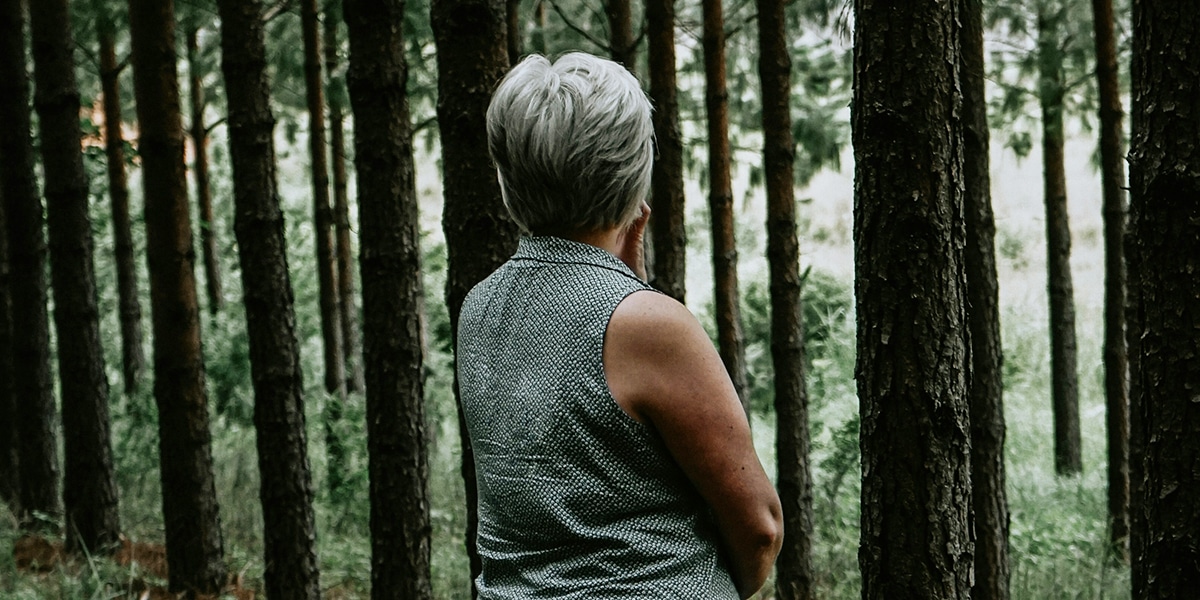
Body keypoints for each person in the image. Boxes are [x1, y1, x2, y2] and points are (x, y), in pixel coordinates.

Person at [456, 52, 783, 599]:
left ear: (509, 173)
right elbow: (759, 530)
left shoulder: (479, 307)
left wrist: (623, 287)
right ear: (632, 175)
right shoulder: (648, 326)